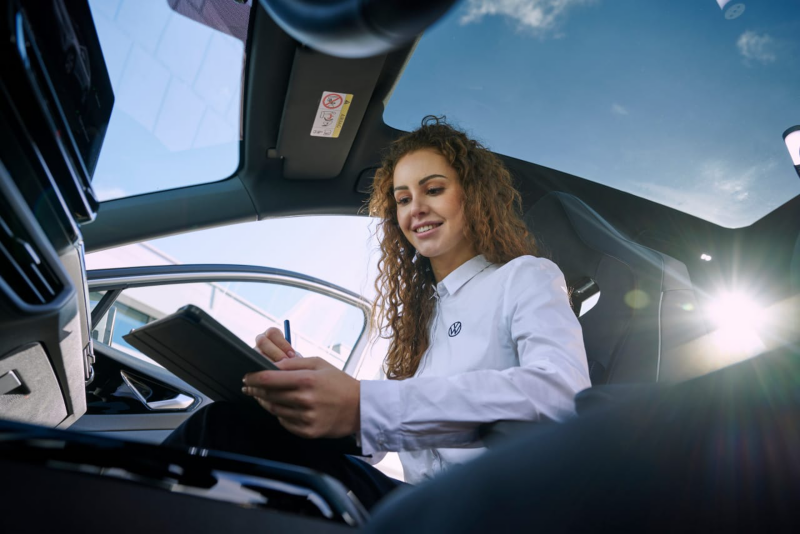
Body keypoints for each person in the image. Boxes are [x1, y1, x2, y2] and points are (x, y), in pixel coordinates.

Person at [163, 116, 591, 509]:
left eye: (434, 189)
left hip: (481, 507)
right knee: (233, 424)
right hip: (415, 500)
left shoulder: (525, 277)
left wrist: (363, 404)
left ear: (473, 196)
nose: (415, 208)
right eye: (402, 199)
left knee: (218, 432)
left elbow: (560, 393)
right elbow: (384, 440)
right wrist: (311, 386)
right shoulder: (424, 317)